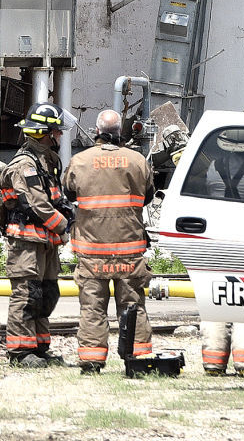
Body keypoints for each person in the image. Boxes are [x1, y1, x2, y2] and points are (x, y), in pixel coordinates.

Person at [63, 108, 155, 375]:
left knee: (92, 308)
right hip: (129, 250)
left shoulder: (80, 161)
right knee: (132, 305)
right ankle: (138, 360)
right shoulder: (137, 161)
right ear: (119, 134)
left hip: (92, 251)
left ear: (97, 133)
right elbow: (147, 196)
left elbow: (68, 192)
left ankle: (91, 361)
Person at [0, 102, 71, 367]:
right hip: (27, 243)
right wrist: (66, 226)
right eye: (57, 131)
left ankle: (40, 348)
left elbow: (55, 200)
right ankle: (20, 353)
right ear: (44, 133)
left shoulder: (46, 162)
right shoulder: (24, 166)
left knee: (46, 295)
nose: (60, 136)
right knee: (26, 296)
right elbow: (38, 205)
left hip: (45, 243)